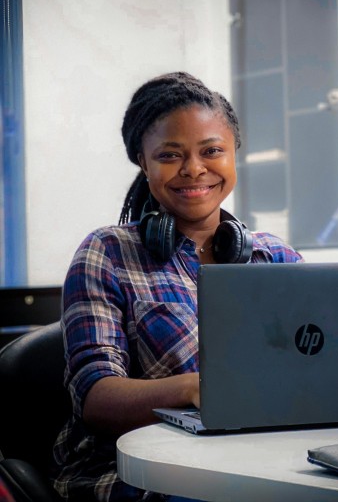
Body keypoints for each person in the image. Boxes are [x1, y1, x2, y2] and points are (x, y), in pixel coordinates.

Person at [52, 72, 304, 501]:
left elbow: (317, 366)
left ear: (233, 155)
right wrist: (192, 388)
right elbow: (94, 398)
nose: (194, 169)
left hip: (254, 457)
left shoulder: (276, 258)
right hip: (137, 471)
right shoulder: (106, 253)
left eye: (212, 151)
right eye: (170, 155)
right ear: (142, 161)